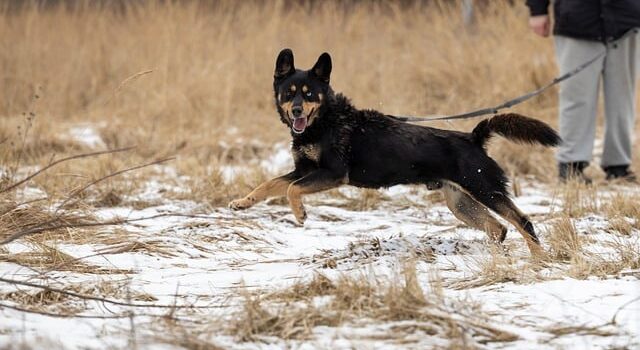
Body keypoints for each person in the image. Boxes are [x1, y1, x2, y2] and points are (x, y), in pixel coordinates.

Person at [526, 0, 640, 183]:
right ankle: (571, 165)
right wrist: (537, 10)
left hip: (626, 21)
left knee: (623, 99)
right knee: (577, 98)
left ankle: (619, 166)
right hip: (577, 21)